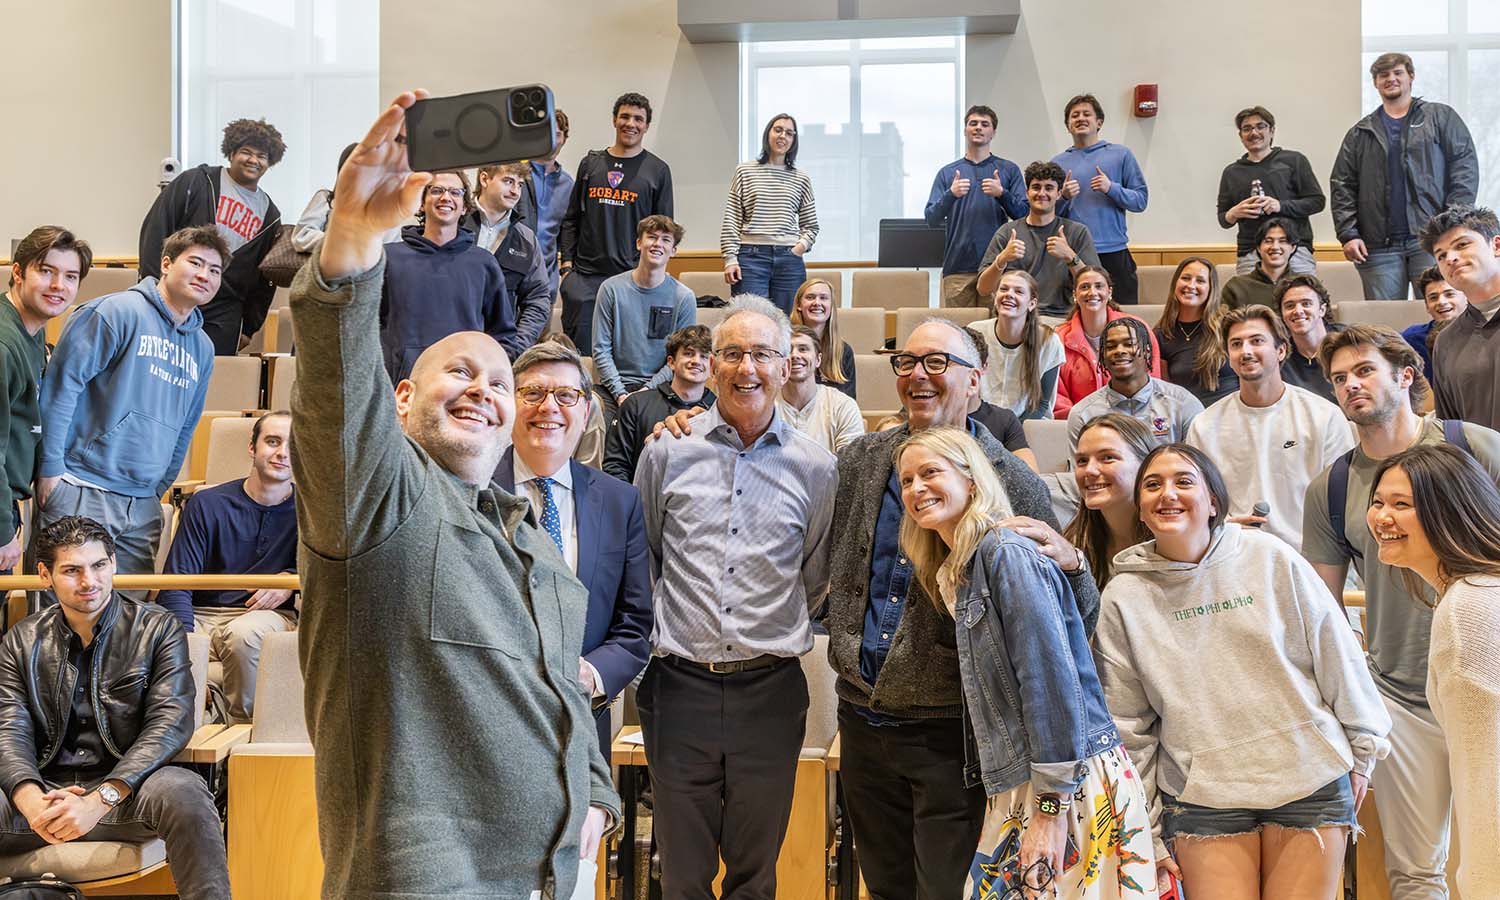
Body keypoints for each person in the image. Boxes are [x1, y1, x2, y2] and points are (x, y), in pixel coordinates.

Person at [290, 90, 617, 898]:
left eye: (500, 381)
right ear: (401, 399)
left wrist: (599, 797)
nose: (484, 390)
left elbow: (561, 695)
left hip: (554, 878)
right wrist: (355, 239)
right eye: (458, 372)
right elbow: (337, 391)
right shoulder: (379, 500)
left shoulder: (535, 544)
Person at [823, 319, 1102, 900]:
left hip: (953, 735)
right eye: (907, 362)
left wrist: (1075, 564)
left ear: (975, 380)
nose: (918, 375)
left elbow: (1062, 630)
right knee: (886, 888)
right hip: (862, 722)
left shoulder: (1011, 479)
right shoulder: (861, 460)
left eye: (937, 363)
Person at [1095, 444, 1391, 900]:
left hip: (1308, 778)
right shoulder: (1123, 596)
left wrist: (1364, 747)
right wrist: (1145, 829)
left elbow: (1338, 655)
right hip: (1203, 799)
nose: (1167, 493)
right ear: (1140, 508)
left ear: (1213, 501)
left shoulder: (1270, 557)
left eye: (1184, 481)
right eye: (1152, 485)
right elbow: (1127, 725)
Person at [894, 426, 1155, 899]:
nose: (915, 488)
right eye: (906, 479)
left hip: (1066, 781)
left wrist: (1050, 809)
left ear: (971, 480)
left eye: (930, 472)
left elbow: (1049, 681)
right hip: (1029, 782)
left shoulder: (1006, 553)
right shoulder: (960, 564)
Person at [633, 296, 837, 900]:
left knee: (755, 876)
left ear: (787, 365)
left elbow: (814, 575)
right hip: (679, 687)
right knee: (682, 875)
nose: (747, 367)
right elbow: (647, 556)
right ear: (711, 364)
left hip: (769, 692)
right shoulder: (665, 451)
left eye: (762, 354)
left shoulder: (817, 466)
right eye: (732, 354)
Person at [1301, 323, 1500, 900]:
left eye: (1364, 370)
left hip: (1486, 679)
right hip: (1400, 696)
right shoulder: (1333, 486)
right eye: (1339, 378)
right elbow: (1323, 610)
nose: (1350, 385)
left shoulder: (1473, 447)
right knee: (1416, 872)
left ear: (1405, 375)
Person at [0, 516, 229, 899]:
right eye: (72, 570)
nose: (89, 581)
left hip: (127, 793)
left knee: (184, 790)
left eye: (99, 565)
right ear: (44, 574)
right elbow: (9, 728)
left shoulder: (158, 629)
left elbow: (170, 722)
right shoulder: (20, 641)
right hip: (44, 796)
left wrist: (99, 800)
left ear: (114, 563)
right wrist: (31, 800)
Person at [33, 226, 221, 593]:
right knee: (60, 623)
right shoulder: (115, 312)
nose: (204, 275)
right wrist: (52, 470)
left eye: (214, 270)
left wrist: (158, 487)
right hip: (80, 487)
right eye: (195, 262)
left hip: (142, 504)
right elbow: (61, 388)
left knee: (127, 628)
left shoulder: (203, 347)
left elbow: (187, 424)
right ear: (166, 264)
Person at [493, 343, 652, 757]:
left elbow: (635, 625)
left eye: (566, 396)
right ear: (509, 404)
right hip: (485, 727)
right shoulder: (469, 492)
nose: (549, 407)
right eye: (533, 393)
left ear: (585, 412)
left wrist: (590, 674)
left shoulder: (620, 502)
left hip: (581, 729)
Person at [1367, 444, 1500, 899]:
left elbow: (1489, 781)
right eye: (1379, 502)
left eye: (1402, 505)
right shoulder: (1479, 593)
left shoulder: (1469, 611)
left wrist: (1483, 886)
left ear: (1451, 511)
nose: (1383, 517)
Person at [158, 411, 297, 723]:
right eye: (272, 442)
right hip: (203, 614)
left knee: (242, 635)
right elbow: (177, 582)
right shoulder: (208, 503)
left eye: (293, 444)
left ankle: (240, 734)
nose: (282, 453)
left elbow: (320, 578)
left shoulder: (310, 511)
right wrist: (186, 644)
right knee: (148, 637)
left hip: (265, 618)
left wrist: (289, 581)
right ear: (252, 448)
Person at [1185, 305, 1354, 547]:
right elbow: (1199, 503)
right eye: (1236, 344)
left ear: (1281, 350)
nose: (1246, 351)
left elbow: (1342, 501)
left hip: (1310, 555)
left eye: (1256, 341)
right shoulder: (1204, 425)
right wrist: (1223, 526)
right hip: (1233, 552)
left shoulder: (1324, 416)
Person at [1332, 52, 1478, 301]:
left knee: (1443, 315)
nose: (1391, 79)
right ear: (1376, 82)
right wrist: (1349, 234)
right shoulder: (1360, 133)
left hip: (1433, 239)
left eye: (1397, 73)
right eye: (1383, 75)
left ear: (1411, 77)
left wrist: (1452, 221)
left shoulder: (1440, 117)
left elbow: (1464, 167)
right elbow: (1342, 184)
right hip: (1377, 247)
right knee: (1385, 327)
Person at [138, 117, 284, 355]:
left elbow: (264, 279)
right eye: (246, 152)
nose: (253, 160)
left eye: (262, 156)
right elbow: (156, 229)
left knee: (212, 380)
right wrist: (151, 291)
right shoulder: (196, 181)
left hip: (224, 313)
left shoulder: (271, 215)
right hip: (171, 297)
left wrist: (249, 327)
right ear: (232, 152)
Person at [1, 227, 92, 574]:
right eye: (46, 271)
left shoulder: (32, 330)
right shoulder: (5, 344)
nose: (59, 286)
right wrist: (2, 531)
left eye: (70, 276)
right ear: (18, 272)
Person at [559, 92, 674, 352]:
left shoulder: (657, 171)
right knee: (581, 357)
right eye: (624, 116)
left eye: (638, 119)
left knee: (628, 353)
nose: (630, 123)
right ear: (614, 120)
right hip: (585, 280)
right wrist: (567, 270)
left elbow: (664, 232)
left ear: (646, 126)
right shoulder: (591, 164)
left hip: (633, 278)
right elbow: (571, 219)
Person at [379, 171, 516, 382]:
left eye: (455, 192)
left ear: (464, 207)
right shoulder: (389, 258)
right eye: (436, 190)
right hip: (401, 387)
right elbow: (369, 326)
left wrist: (484, 378)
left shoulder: (483, 263)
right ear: (421, 203)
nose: (446, 198)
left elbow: (502, 334)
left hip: (464, 389)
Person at [591, 215, 697, 418]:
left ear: (673, 251)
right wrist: (621, 393)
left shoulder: (684, 298)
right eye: (652, 237)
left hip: (663, 388)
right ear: (639, 243)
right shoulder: (611, 289)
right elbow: (600, 349)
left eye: (666, 239)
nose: (657, 244)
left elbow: (680, 357)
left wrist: (646, 391)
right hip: (613, 389)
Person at [925, 105, 1028, 308]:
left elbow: (1023, 214)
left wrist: (1002, 194)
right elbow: (930, 218)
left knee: (994, 329)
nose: (978, 128)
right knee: (957, 334)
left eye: (984, 124)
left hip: (996, 266)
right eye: (973, 123)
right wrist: (951, 195)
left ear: (993, 132)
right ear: (965, 130)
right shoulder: (948, 173)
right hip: (957, 267)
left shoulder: (1009, 170)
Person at [1054, 94, 1149, 304]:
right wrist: (1064, 198)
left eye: (1087, 114)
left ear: (1099, 122)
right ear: (1068, 125)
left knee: (1123, 318)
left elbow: (1140, 200)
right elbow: (1048, 213)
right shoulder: (1058, 162)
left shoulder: (1120, 154)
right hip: (1074, 254)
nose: (1080, 118)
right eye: (1074, 115)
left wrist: (1111, 188)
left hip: (1114, 252)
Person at [721, 114, 819, 314]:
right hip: (750, 258)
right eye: (778, 130)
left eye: (789, 133)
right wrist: (730, 258)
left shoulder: (801, 178)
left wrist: (799, 248)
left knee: (788, 323)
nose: (783, 136)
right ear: (768, 134)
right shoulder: (744, 171)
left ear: (793, 141)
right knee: (750, 320)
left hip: (789, 260)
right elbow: (732, 218)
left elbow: (811, 225)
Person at [977, 161, 1100, 317]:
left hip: (1061, 318)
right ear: (1027, 192)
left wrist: (1070, 257)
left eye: (1049, 188)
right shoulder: (1007, 232)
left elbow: (1095, 286)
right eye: (1036, 187)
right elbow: (983, 289)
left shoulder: (1077, 232)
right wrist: (1001, 260)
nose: (1042, 193)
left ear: (1059, 193)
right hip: (1015, 317)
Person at [1216, 106, 1324, 275]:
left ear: (1272, 131)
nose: (1254, 132)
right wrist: (1235, 212)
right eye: (1247, 128)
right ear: (1241, 136)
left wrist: (1280, 206)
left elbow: (1317, 202)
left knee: (1303, 298)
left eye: (1260, 126)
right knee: (1250, 301)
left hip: (1295, 249)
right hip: (1250, 252)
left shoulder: (1294, 160)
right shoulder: (1231, 172)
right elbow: (1223, 219)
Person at [603, 324, 715, 482]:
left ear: (712, 365)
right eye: (688, 353)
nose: (696, 361)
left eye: (704, 356)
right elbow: (615, 466)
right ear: (671, 362)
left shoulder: (720, 411)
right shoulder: (636, 404)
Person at [1422, 204, 1500, 431]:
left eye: (1462, 245)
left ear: (1496, 245)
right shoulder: (1445, 342)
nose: (1451, 258)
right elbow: (1451, 429)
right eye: (1441, 255)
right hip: (1481, 466)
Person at [1066, 316, 1201, 447]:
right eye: (1111, 346)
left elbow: (1195, 465)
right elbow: (1083, 468)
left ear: (1147, 351)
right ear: (1103, 356)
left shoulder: (1183, 405)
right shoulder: (1083, 415)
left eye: (1129, 344)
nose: (1119, 351)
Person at [1051, 267, 1162, 419]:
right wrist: (1083, 421)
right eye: (1084, 287)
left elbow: (1152, 379)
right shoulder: (1058, 339)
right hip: (1081, 425)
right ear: (1075, 294)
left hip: (1135, 422)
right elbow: (1056, 394)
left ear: (1109, 292)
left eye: (1099, 286)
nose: (1092, 292)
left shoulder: (1136, 329)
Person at [1063, 413, 1154, 591]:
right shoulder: (1073, 547)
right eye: (1082, 461)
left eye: (1107, 457)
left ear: (1145, 465)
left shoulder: (1174, 539)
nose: (1089, 470)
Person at [468, 162, 553, 349]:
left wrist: (517, 346)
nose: (515, 191)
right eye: (508, 181)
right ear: (484, 179)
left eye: (519, 185)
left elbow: (537, 299)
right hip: (450, 344)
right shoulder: (454, 224)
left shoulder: (526, 239)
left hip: (499, 349)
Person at [973, 270, 1065, 419]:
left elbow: (1041, 404)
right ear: (995, 297)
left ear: (1032, 303)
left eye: (1019, 291)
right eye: (1003, 289)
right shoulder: (976, 332)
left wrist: (1011, 432)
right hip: (980, 421)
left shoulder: (1049, 341)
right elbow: (964, 391)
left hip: (1028, 425)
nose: (1009, 294)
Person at [1153, 256, 1237, 405]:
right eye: (1186, 278)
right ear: (1175, 283)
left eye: (1200, 280)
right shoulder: (1162, 334)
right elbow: (1165, 391)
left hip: (1231, 414)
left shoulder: (1228, 325)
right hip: (1190, 418)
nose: (1191, 285)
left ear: (1211, 288)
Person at [962, 325, 1037, 470]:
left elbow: (1032, 481)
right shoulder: (924, 412)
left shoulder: (1004, 419)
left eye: (966, 365)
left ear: (983, 368)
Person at [781, 325, 864, 453]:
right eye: (788, 350)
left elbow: (850, 466)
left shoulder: (843, 406)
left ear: (818, 359)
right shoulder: (765, 405)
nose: (795, 355)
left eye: (803, 349)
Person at [1276, 274, 1344, 403]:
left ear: (1322, 309)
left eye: (1306, 303)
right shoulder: (1279, 353)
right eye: (1289, 306)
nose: (1298, 311)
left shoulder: (1348, 340)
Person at [529, 109, 574, 297]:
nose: (550, 141)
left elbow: (567, 230)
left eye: (556, 134)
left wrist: (566, 267)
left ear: (564, 138)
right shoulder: (517, 175)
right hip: (509, 280)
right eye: (544, 134)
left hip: (546, 283)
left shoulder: (568, 184)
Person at [789, 276, 855, 399]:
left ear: (831, 306)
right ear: (799, 305)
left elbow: (849, 402)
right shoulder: (783, 344)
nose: (817, 303)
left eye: (823, 298)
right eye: (810, 297)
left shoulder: (843, 351)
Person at [1402, 266, 1467, 384]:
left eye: (1449, 294)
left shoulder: (1487, 334)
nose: (1441, 302)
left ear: (1467, 298)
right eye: (1433, 298)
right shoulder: (1411, 339)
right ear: (1427, 306)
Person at [1220, 217, 1296, 311]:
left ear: (1293, 247)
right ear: (1259, 248)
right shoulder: (1236, 286)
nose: (1275, 247)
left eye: (1283, 241)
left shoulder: (1305, 284)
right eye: (1268, 241)